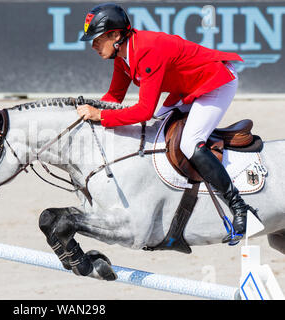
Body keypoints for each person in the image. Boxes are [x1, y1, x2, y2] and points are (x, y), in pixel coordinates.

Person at [77, 2, 251, 243]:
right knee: (156, 130)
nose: (93, 45)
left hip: (215, 82)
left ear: (116, 35)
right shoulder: (121, 56)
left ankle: (239, 206)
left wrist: (101, 116)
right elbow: (114, 99)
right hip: (186, 89)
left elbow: (144, 110)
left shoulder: (147, 50)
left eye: (97, 39)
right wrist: (89, 113)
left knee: (190, 142)